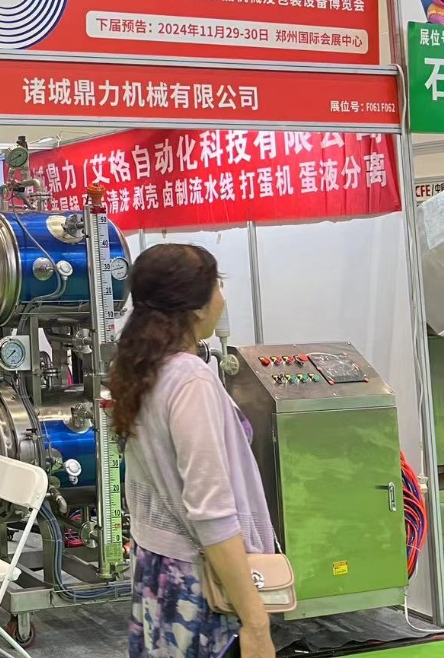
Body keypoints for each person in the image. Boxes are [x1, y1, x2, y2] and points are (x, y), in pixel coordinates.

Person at [111, 244, 276, 658]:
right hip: (197, 580)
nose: (222, 298)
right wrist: (256, 623)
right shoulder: (190, 380)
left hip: (157, 567)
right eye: (217, 286)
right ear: (197, 307)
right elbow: (212, 511)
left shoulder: (142, 369)